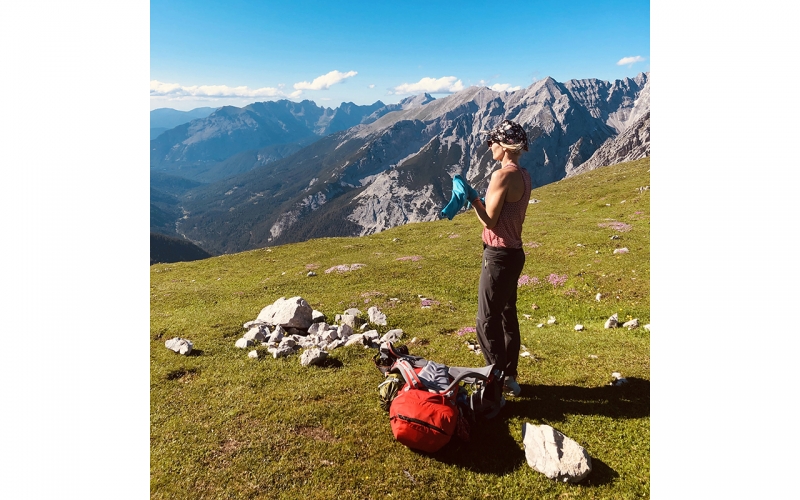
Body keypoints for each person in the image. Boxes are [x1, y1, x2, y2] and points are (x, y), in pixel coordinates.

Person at [466, 119, 531, 397]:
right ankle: (511, 376)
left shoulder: (501, 176)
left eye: (492, 141)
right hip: (515, 253)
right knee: (507, 316)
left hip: (498, 255)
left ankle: (497, 378)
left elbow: (490, 222)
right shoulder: (524, 175)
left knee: (485, 319)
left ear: (504, 146)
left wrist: (472, 199)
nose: (489, 146)